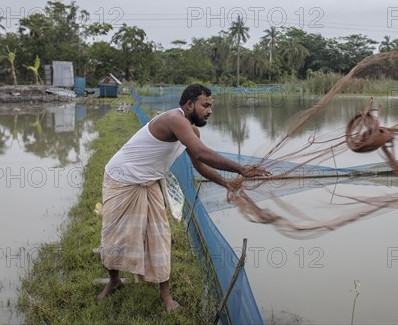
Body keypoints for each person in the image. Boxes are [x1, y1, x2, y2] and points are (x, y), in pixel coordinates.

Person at [97, 84, 270, 311]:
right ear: (189, 104)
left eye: (211, 106)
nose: (209, 110)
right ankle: (114, 280)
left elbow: (200, 164)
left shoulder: (191, 131)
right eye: (205, 105)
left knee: (160, 235)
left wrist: (226, 182)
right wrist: (241, 169)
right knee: (115, 234)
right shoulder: (174, 119)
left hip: (148, 183)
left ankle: (165, 295)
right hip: (121, 179)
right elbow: (201, 153)